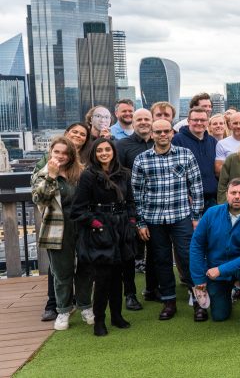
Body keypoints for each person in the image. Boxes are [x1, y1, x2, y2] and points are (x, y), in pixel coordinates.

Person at [132, 119, 205, 322]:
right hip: (154, 219)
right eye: (158, 132)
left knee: (188, 258)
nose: (162, 135)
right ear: (152, 134)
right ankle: (169, 301)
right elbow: (136, 194)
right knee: (161, 261)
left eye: (166, 131)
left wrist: (197, 216)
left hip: (181, 216)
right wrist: (140, 222)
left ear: (172, 133)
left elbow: (196, 187)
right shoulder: (142, 159)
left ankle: (199, 301)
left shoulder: (185, 154)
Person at [67, 138, 136, 336]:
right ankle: (99, 320)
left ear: (113, 151)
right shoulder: (88, 176)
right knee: (103, 278)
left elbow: (130, 201)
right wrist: (96, 224)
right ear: (94, 154)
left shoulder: (124, 174)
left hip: (122, 228)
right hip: (100, 230)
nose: (104, 153)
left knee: (118, 276)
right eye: (100, 151)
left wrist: (131, 222)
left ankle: (116, 316)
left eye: (107, 149)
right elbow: (77, 210)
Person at [189, 178, 240, 336]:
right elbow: (197, 245)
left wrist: (221, 270)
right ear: (226, 194)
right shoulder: (211, 213)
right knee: (219, 316)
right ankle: (231, 292)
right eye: (233, 193)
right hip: (217, 269)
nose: (237, 196)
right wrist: (198, 279)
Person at [33, 137, 92, 331]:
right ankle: (64, 310)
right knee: (61, 271)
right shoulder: (41, 173)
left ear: (72, 155)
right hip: (57, 226)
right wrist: (51, 175)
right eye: (57, 152)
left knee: (85, 267)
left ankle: (85, 306)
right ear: (51, 152)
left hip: (82, 224)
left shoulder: (81, 172)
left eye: (65, 153)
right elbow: (40, 198)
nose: (61, 156)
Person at [113, 108, 153, 310]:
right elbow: (117, 174)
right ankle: (130, 294)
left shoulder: (161, 141)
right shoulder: (122, 145)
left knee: (156, 251)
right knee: (129, 254)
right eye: (140, 119)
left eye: (147, 119)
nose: (144, 122)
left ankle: (154, 289)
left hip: (156, 205)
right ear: (133, 123)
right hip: (131, 204)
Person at [172, 107, 219, 211]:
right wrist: (185, 193)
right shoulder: (177, 140)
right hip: (189, 200)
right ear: (188, 121)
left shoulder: (212, 141)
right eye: (195, 120)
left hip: (211, 198)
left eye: (202, 120)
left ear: (207, 122)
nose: (199, 123)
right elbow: (175, 171)